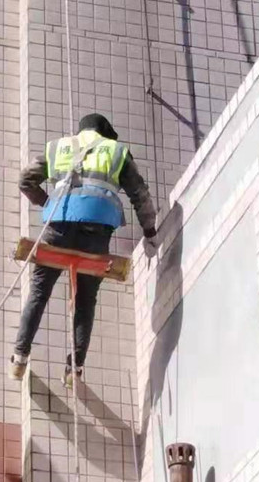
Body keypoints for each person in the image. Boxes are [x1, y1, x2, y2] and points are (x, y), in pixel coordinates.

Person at [9, 113, 157, 386]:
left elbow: (26, 180)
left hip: (58, 227)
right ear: (104, 131)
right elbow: (140, 195)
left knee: (39, 293)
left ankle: (20, 357)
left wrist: (47, 203)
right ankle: (74, 369)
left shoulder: (58, 147)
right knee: (85, 302)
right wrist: (150, 232)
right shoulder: (116, 151)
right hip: (96, 232)